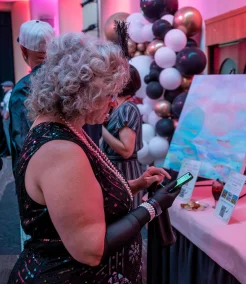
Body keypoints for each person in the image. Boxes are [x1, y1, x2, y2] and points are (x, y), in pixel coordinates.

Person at [8, 32, 180, 283]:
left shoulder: (64, 128)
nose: (112, 104)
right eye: (108, 95)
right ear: (82, 94)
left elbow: (82, 198)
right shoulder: (59, 149)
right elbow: (90, 249)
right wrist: (152, 207)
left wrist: (136, 184)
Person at [9, 20, 54, 173]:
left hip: (36, 180)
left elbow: (23, 141)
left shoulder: (24, 89)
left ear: (23, 49)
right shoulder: (69, 82)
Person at [102, 65, 144, 208]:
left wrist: (100, 129)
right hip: (117, 171)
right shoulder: (119, 107)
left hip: (126, 172)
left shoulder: (127, 109)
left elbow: (127, 150)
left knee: (127, 219)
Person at [1, 81, 13, 154]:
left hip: (7, 119)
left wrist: (5, 116)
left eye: (4, 86)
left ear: (9, 87)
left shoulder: (9, 95)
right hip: (7, 118)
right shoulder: (8, 94)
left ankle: (12, 153)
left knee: (9, 135)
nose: (3, 88)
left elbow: (8, 107)